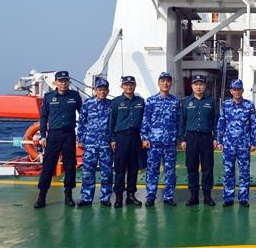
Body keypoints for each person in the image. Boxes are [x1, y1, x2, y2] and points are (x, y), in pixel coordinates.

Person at [34, 70, 83, 208]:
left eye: (66, 81)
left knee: (69, 166)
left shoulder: (75, 96)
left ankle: (68, 195)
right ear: (55, 82)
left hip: (69, 135)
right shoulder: (48, 97)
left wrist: (82, 134)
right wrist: (43, 135)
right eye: (61, 81)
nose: (63, 83)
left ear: (68, 82)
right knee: (48, 166)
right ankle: (41, 197)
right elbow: (43, 117)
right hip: (54, 136)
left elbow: (83, 116)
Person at [141, 72, 181, 206]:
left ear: (171, 83)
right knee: (153, 169)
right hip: (154, 142)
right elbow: (145, 121)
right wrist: (145, 138)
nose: (165, 83)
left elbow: (178, 121)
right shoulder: (151, 101)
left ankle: (168, 196)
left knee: (170, 170)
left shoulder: (175, 101)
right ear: (158, 83)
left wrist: (178, 138)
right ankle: (151, 195)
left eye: (168, 81)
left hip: (170, 142)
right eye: (163, 81)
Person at [216, 79, 256, 207]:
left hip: (244, 145)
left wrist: (253, 142)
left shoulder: (249, 105)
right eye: (234, 89)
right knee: (228, 171)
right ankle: (228, 197)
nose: (237, 91)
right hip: (228, 144)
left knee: (244, 172)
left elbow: (253, 125)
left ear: (242, 91)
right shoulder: (226, 105)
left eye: (239, 89)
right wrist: (219, 140)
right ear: (231, 91)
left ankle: (243, 198)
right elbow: (221, 123)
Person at [179, 75, 217, 206]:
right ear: (192, 86)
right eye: (196, 84)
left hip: (206, 138)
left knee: (207, 167)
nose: (199, 86)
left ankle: (207, 196)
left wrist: (216, 138)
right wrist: (182, 139)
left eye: (201, 84)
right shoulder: (185, 102)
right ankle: (193, 195)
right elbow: (182, 122)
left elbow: (216, 121)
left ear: (205, 86)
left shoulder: (211, 101)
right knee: (192, 167)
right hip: (191, 138)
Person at [109, 75, 145, 207]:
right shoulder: (116, 102)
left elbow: (144, 121)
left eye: (131, 84)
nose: (129, 87)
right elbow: (111, 122)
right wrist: (112, 138)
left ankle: (131, 195)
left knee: (133, 168)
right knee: (119, 169)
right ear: (122, 86)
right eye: (126, 84)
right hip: (121, 138)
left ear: (135, 86)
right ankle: (118, 197)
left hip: (135, 137)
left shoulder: (140, 102)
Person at [77, 78, 113, 207]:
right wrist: (80, 139)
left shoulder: (111, 105)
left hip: (105, 144)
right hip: (90, 143)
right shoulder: (87, 104)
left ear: (108, 91)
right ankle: (87, 197)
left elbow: (113, 124)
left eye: (104, 90)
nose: (102, 92)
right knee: (88, 172)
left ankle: (105, 197)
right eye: (100, 89)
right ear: (95, 90)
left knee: (107, 172)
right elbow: (81, 122)